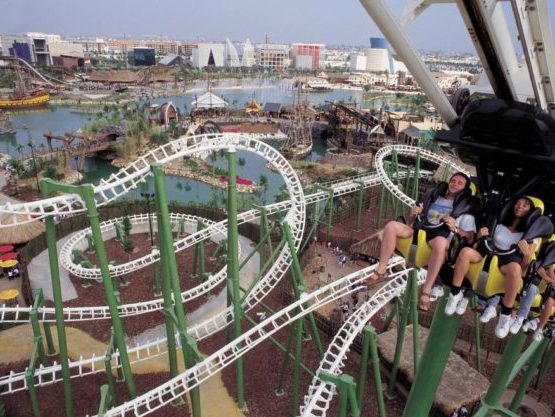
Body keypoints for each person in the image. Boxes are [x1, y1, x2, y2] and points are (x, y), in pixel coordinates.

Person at [370, 173, 477, 312]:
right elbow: (410, 223)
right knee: (391, 225)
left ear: (465, 188)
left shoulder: (465, 211)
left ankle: (427, 289)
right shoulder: (433, 198)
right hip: (420, 233)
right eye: (453, 181)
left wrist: (456, 228)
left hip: (440, 243)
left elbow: (470, 237)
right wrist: (413, 214)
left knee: (440, 242)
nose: (455, 184)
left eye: (460, 183)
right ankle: (381, 269)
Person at [445, 197, 536, 338]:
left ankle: (505, 316)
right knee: (465, 252)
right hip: (487, 257)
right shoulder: (498, 226)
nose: (519, 206)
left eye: (525, 205)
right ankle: (454, 294)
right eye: (517, 203)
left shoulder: (530, 236)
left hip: (506, 265)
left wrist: (526, 255)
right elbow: (479, 244)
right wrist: (480, 237)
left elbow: (524, 268)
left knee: (515, 268)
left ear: (530, 211)